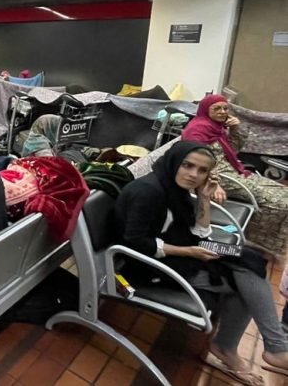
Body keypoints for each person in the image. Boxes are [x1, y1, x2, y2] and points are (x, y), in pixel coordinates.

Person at [115, 140, 288, 385]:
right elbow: (135, 243)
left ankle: (264, 346)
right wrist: (189, 252)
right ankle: (252, 348)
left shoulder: (176, 190)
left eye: (202, 170)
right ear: (175, 162)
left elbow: (200, 233)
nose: (193, 174)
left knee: (252, 260)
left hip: (184, 248)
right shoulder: (148, 192)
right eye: (187, 165)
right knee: (244, 284)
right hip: (150, 264)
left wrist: (204, 199)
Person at [182, 94, 288, 256]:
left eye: (225, 108)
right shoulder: (196, 131)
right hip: (221, 178)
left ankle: (266, 241)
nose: (222, 112)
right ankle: (260, 241)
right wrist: (213, 182)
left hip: (233, 172)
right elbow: (193, 162)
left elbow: (233, 150)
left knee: (285, 193)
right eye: (217, 108)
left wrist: (236, 128)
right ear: (205, 110)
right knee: (281, 203)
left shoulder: (216, 128)